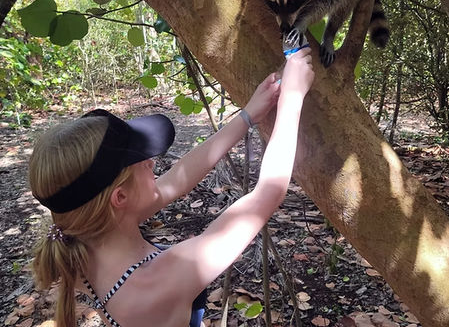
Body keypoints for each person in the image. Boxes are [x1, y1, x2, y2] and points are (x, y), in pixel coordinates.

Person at [29, 48, 314, 327]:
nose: (152, 162)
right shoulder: (158, 282)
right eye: (140, 161)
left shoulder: (87, 241)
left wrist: (247, 116)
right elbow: (267, 193)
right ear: (120, 197)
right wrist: (293, 97)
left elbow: (180, 176)